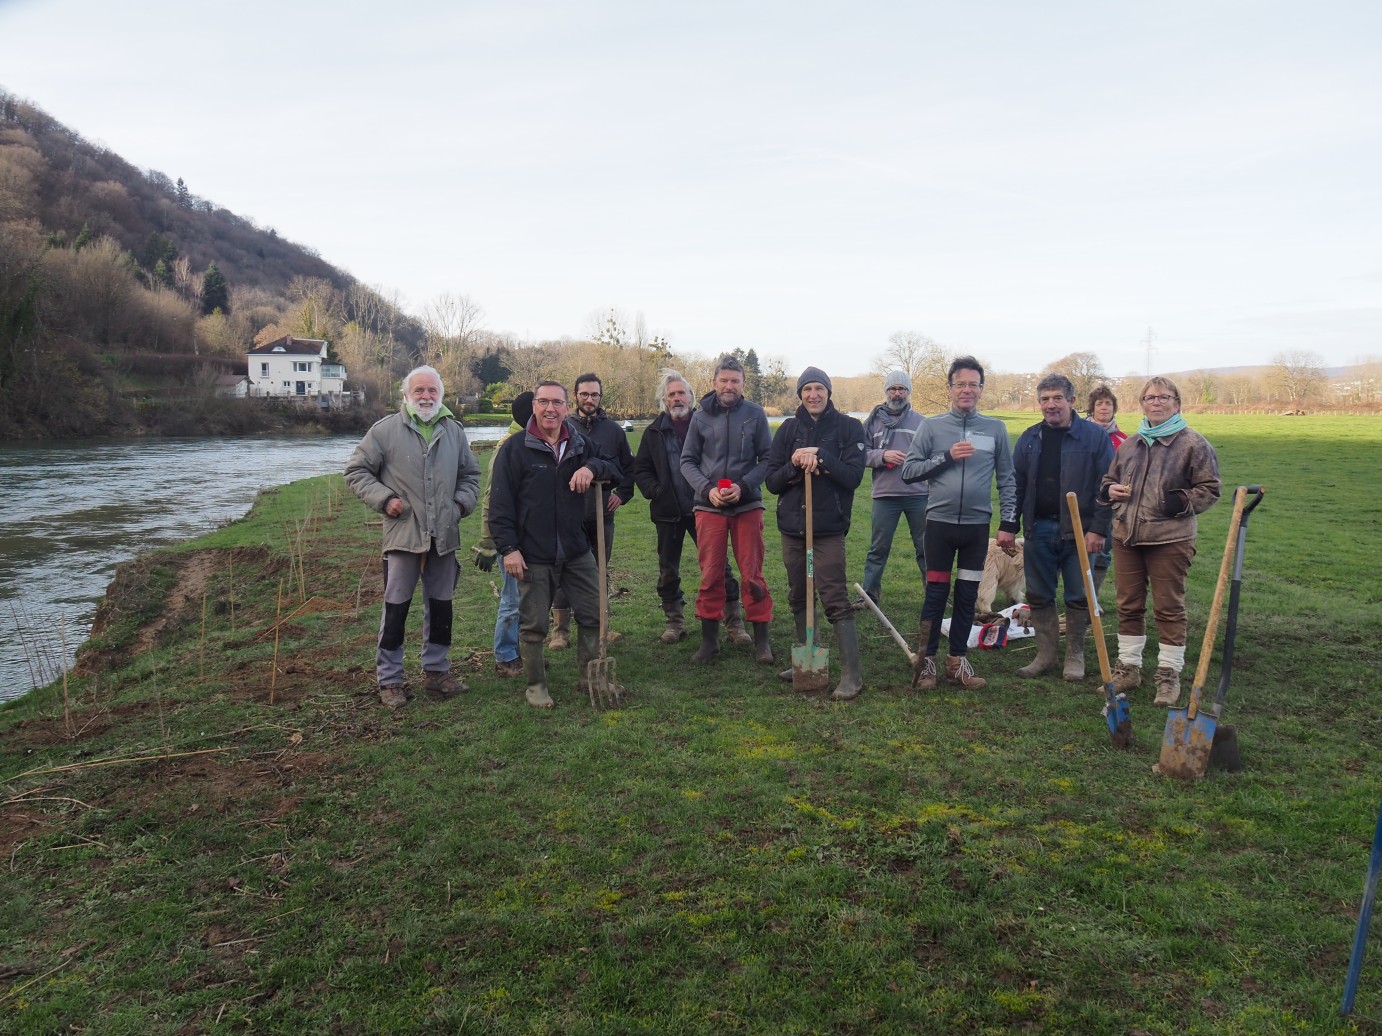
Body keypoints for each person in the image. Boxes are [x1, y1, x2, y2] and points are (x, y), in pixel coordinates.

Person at [344, 365, 481, 707]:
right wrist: (385, 500)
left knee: (441, 608)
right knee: (396, 609)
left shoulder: (453, 431)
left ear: (441, 395)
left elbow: (471, 476)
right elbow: (356, 471)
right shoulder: (385, 431)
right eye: (418, 391)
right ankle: (390, 681)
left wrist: (460, 505)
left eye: (432, 391)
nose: (425, 396)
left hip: (444, 535)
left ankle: (437, 673)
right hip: (403, 534)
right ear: (405, 395)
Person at [488, 381, 623, 708]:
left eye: (557, 403)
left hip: (577, 550)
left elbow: (614, 468)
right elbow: (500, 505)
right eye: (544, 402)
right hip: (533, 553)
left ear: (566, 407)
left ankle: (589, 676)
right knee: (534, 625)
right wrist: (508, 548)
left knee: (592, 615)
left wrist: (592, 468)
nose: (551, 409)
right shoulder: (515, 448)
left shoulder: (579, 444)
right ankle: (535, 686)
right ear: (534, 406)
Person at [1098, 376, 1221, 706]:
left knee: (1168, 607)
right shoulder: (1131, 444)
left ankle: (1168, 674)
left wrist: (1180, 501)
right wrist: (1110, 490)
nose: (1156, 402)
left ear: (1177, 404)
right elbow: (1109, 480)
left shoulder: (1193, 444)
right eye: (1150, 398)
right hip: (1127, 536)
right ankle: (1129, 668)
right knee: (1128, 605)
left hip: (1170, 539)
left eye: (1164, 397)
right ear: (1142, 404)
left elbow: (1210, 490)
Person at [900, 356, 1016, 690]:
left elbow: (1007, 479)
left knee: (967, 595)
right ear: (950, 388)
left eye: (973, 384)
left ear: (981, 389)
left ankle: (957, 661)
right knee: (935, 594)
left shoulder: (994, 429)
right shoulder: (932, 427)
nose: (967, 390)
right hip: (939, 524)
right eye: (960, 384)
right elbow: (909, 472)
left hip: (976, 528)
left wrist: (1008, 521)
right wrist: (946, 456)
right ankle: (927, 663)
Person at [765, 367, 868, 699]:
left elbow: (853, 477)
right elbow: (771, 482)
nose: (813, 394)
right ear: (800, 394)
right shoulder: (787, 430)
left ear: (829, 392)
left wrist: (821, 456)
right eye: (807, 388)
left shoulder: (849, 427)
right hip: (793, 528)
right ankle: (808, 658)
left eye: (819, 388)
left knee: (834, 596)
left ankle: (852, 674)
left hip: (827, 528)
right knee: (798, 593)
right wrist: (795, 464)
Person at [1004, 374, 1114, 681]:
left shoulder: (1094, 437)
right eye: (1045, 399)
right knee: (1039, 594)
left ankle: (1074, 656)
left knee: (1079, 596)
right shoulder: (1029, 438)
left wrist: (1098, 530)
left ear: (1072, 401)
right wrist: (1009, 526)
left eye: (1057, 399)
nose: (1051, 405)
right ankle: (1046, 655)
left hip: (1079, 532)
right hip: (1039, 529)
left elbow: (1108, 485)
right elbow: (1017, 485)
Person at [632, 370, 749, 646]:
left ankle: (734, 622)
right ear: (664, 399)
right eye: (671, 394)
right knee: (667, 569)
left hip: (706, 508)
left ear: (690, 396)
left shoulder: (706, 424)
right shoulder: (653, 432)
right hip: (668, 512)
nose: (676, 399)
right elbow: (641, 469)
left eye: (681, 393)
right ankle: (675, 622)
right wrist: (656, 492)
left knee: (720, 567)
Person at [678, 354, 775, 665]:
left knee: (753, 575)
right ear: (714, 383)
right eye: (724, 380)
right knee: (711, 575)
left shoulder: (755, 414)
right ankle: (710, 642)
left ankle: (762, 642)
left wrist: (743, 486)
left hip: (747, 505)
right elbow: (687, 461)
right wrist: (707, 490)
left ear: (743, 384)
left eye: (735, 381)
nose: (729, 386)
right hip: (709, 508)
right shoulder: (700, 417)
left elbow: (769, 459)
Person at [548, 373, 636, 650]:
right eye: (584, 394)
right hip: (565, 516)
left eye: (594, 395)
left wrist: (622, 494)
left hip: (600, 512)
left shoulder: (613, 431)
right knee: (561, 567)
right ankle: (560, 630)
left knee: (599, 570)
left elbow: (627, 468)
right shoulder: (564, 426)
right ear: (575, 396)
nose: (589, 399)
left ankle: (602, 625)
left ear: (600, 397)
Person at [471, 392, 535, 679]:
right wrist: (488, 544)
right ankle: (505, 656)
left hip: (531, 538)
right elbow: (491, 498)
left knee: (527, 599)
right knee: (512, 599)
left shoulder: (532, 442)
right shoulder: (508, 447)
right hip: (511, 539)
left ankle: (522, 652)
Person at [857, 369, 928, 609]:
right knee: (878, 548)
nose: (897, 393)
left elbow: (934, 456)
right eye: (892, 388)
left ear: (908, 392)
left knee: (926, 547)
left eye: (902, 389)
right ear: (885, 391)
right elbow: (859, 454)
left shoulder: (921, 422)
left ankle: (934, 594)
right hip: (885, 495)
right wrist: (882, 454)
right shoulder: (873, 421)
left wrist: (915, 462)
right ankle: (869, 597)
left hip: (918, 494)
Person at [1085, 383, 1128, 594]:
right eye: (1099, 403)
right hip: (1082, 500)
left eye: (1108, 403)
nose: (1104, 407)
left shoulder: (1124, 440)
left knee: (1102, 551)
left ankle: (1093, 598)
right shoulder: (1078, 433)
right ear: (1092, 408)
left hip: (1111, 504)